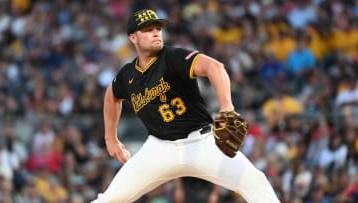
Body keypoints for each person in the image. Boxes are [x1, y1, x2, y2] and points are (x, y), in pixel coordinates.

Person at [91, 9, 280, 203]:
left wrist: (226, 107)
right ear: (133, 38)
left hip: (202, 142)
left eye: (158, 28)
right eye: (148, 30)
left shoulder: (173, 57)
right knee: (109, 199)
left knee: (256, 182)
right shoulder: (127, 75)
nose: (156, 33)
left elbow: (214, 67)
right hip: (159, 148)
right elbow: (111, 96)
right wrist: (110, 138)